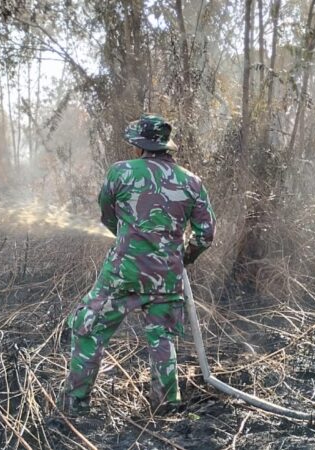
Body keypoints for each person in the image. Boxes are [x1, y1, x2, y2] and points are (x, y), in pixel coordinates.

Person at [58, 114, 215, 416]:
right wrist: (184, 257)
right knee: (162, 338)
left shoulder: (121, 172)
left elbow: (107, 214)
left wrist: (128, 239)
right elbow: (206, 235)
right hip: (168, 277)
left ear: (139, 145)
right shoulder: (192, 182)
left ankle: (75, 405)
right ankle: (166, 405)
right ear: (166, 145)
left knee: (88, 329)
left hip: (122, 275)